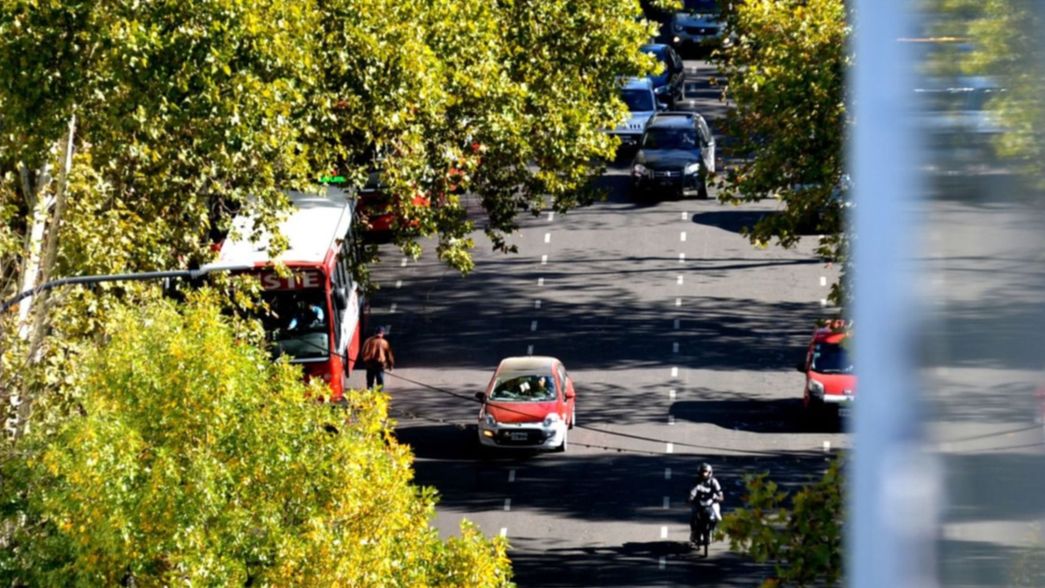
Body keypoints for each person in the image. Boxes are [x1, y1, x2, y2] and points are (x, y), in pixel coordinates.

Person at [688, 462, 724, 545]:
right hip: (699, 503)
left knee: (718, 517)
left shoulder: (714, 482)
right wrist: (690, 499)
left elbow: (721, 494)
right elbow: (692, 492)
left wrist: (718, 498)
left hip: (712, 503)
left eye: (706, 472)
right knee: (693, 516)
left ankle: (714, 531)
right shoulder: (696, 482)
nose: (704, 474)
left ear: (710, 472)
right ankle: (693, 533)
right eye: (702, 472)